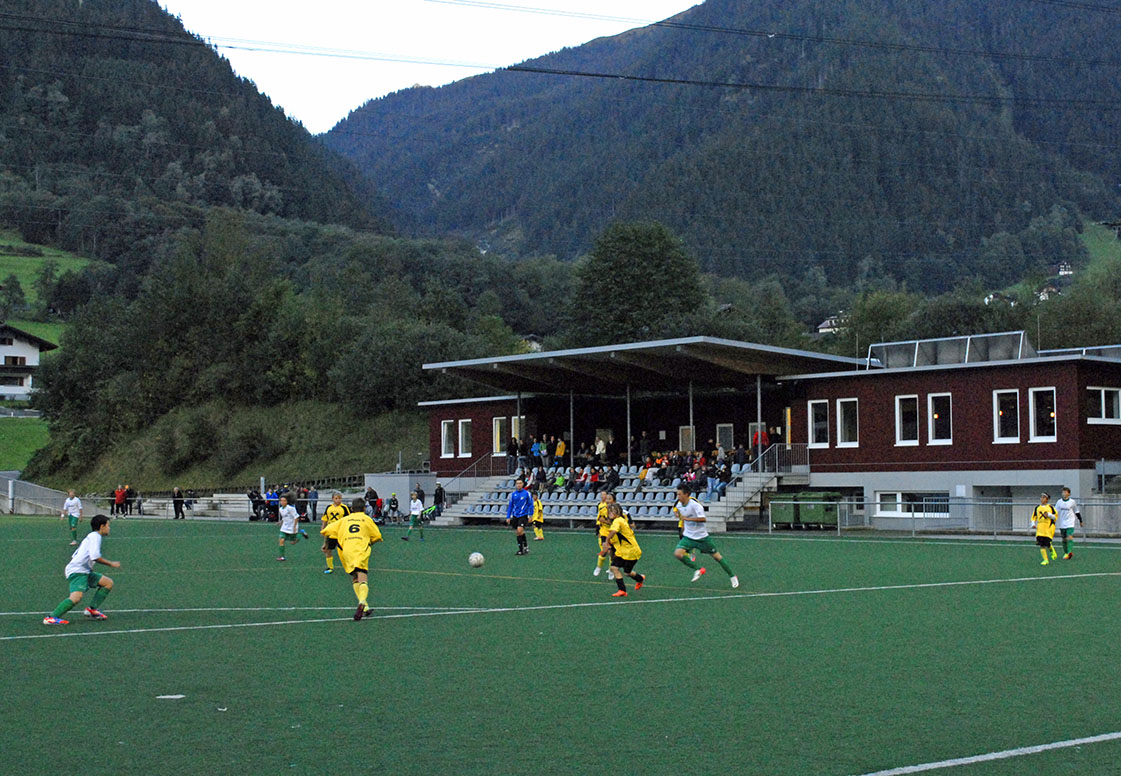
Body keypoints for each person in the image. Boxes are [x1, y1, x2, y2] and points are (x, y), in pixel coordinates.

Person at [44, 514, 119, 625]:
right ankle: (51, 617)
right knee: (76, 597)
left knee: (108, 583)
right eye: (108, 525)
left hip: (84, 570)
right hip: (78, 571)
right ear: (102, 526)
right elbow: (95, 557)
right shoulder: (95, 537)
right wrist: (111, 563)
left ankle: (91, 609)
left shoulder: (92, 536)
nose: (109, 528)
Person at [320, 497, 384, 620]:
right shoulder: (367, 519)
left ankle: (365, 607)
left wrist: (327, 543)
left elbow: (326, 531)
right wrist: (369, 542)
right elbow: (377, 536)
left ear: (351, 509)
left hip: (347, 551)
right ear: (364, 508)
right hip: (360, 549)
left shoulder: (345, 520)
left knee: (355, 577)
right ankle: (362, 601)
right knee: (362, 576)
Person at [672, 485, 738, 588]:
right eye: (677, 494)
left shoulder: (695, 506)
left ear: (686, 494)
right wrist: (683, 529)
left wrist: (689, 519)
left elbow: (703, 519)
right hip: (688, 536)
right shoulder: (679, 505)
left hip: (702, 537)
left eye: (680, 494)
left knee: (717, 557)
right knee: (677, 554)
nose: (678, 496)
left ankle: (732, 576)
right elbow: (683, 518)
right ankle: (698, 569)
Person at [600, 503, 645, 597]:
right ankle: (622, 590)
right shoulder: (618, 521)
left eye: (613, 511)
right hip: (623, 552)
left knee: (627, 572)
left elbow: (613, 531)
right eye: (609, 511)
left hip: (631, 552)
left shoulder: (618, 521)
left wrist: (607, 540)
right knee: (614, 567)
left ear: (618, 512)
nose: (611, 513)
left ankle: (640, 578)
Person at [321, 492, 350, 574]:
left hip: (341, 532)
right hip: (331, 531)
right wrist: (323, 528)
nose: (338, 500)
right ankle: (330, 567)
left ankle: (349, 565)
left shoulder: (344, 508)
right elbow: (325, 519)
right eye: (336, 498)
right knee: (328, 549)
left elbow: (349, 519)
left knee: (345, 550)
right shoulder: (329, 507)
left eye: (340, 498)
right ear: (332, 499)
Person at [276, 495, 309, 561]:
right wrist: (281, 522)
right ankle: (282, 557)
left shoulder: (290, 508)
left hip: (292, 526)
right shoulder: (280, 509)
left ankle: (301, 533)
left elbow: (296, 517)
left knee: (293, 542)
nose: (282, 502)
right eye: (281, 501)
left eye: (284, 501)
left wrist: (294, 527)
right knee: (281, 540)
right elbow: (285, 517)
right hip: (284, 527)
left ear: (287, 502)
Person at [505, 477, 533, 556]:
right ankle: (526, 546)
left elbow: (530, 505)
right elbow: (510, 506)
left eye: (520, 483)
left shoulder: (527, 494)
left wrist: (530, 515)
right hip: (515, 515)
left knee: (519, 530)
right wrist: (508, 516)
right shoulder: (513, 495)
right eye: (517, 483)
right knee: (519, 533)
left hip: (523, 515)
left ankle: (521, 550)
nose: (519, 485)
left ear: (523, 484)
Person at [1055, 487, 1083, 560]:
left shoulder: (1072, 502)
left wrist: (1080, 520)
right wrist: (1052, 521)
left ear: (1069, 494)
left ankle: (1069, 552)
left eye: (1065, 492)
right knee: (1064, 539)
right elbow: (1055, 512)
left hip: (1070, 522)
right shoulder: (1059, 502)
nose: (1063, 493)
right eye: (1063, 492)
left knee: (1069, 536)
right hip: (1062, 523)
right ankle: (1066, 552)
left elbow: (1076, 511)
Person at [1031, 492, 1058, 566]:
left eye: (1044, 497)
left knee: (1047, 543)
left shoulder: (1051, 508)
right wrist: (1033, 524)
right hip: (1040, 528)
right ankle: (1045, 559)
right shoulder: (1037, 508)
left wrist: (1049, 515)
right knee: (1041, 544)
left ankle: (1052, 550)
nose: (1042, 499)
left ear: (1047, 499)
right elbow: (1034, 517)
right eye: (1041, 497)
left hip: (1048, 528)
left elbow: (1055, 517)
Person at [593, 490, 611, 576]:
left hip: (613, 533)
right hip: (603, 531)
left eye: (605, 495)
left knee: (612, 553)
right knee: (604, 551)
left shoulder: (615, 510)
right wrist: (598, 529)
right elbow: (599, 518)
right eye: (602, 495)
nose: (603, 497)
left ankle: (611, 570)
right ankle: (599, 567)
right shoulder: (601, 506)